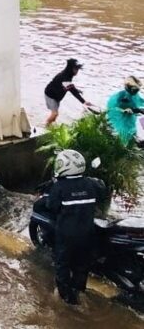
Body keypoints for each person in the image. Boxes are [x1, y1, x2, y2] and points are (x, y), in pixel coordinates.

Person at [45, 149, 106, 305]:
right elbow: (102, 194)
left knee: (62, 264)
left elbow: (51, 206)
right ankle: (79, 291)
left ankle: (65, 298)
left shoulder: (59, 187)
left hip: (66, 234)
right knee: (82, 264)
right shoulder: (91, 184)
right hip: (87, 233)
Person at [44, 59, 91, 126]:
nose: (77, 71)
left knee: (54, 116)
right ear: (70, 69)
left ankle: (49, 125)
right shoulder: (64, 77)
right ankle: (46, 126)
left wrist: (76, 90)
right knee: (55, 114)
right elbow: (72, 91)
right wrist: (84, 102)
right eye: (76, 69)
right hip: (51, 95)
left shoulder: (68, 75)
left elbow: (70, 87)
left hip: (57, 96)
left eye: (78, 69)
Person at [106, 76, 144, 145]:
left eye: (137, 90)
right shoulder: (120, 95)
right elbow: (112, 108)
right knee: (124, 135)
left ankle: (136, 140)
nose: (137, 92)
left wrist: (140, 110)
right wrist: (123, 110)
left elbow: (141, 102)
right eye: (135, 90)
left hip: (131, 116)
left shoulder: (135, 96)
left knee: (135, 128)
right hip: (119, 117)